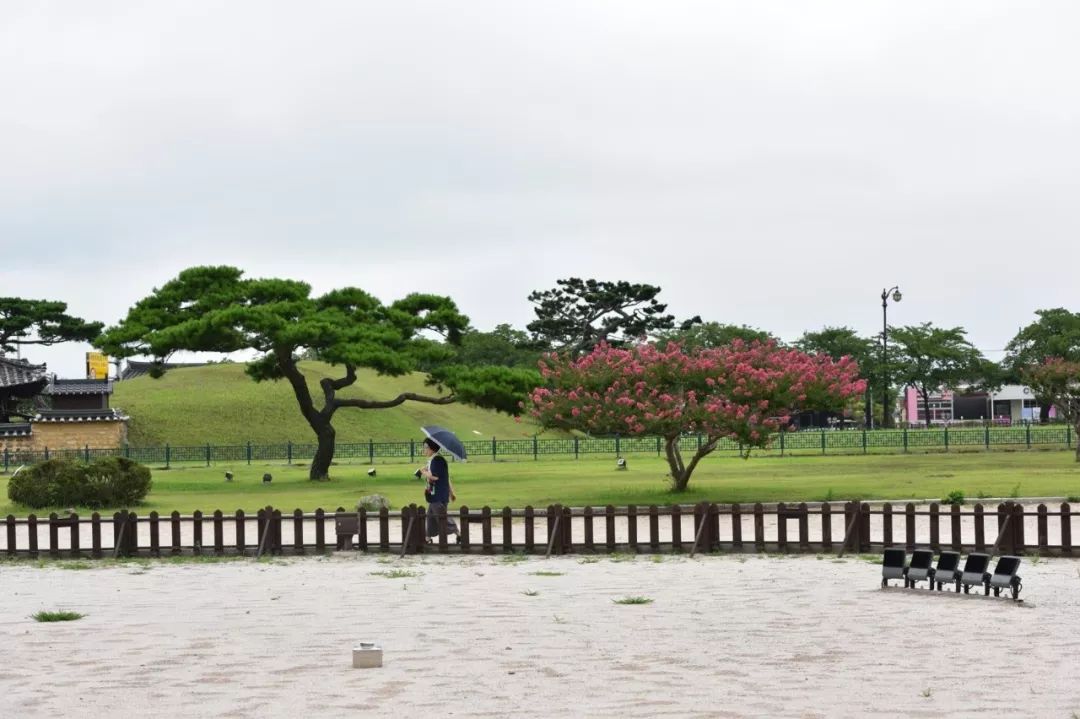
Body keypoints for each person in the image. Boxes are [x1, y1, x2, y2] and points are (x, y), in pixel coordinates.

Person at [419, 437, 459, 542]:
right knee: (431, 517)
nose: (424, 450)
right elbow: (445, 477)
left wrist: (424, 472)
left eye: (425, 447)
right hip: (434, 494)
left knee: (441, 516)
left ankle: (457, 532)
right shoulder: (433, 460)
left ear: (431, 448)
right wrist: (452, 492)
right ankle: (428, 537)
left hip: (438, 494)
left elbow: (435, 477)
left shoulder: (437, 460)